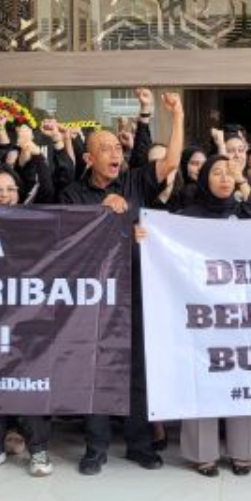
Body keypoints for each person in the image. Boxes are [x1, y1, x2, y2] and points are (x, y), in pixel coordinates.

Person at [58, 91, 183, 475]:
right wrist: (101, 216)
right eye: (105, 148)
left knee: (137, 371)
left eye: (117, 147)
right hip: (94, 299)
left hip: (137, 293)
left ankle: (139, 444)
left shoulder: (134, 183)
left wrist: (175, 115)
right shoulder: (72, 193)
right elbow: (68, 243)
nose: (115, 153)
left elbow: (172, 161)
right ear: (88, 158)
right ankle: (95, 448)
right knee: (95, 370)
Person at [175, 156, 251, 476]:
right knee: (202, 379)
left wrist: (244, 182)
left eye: (230, 173)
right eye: (217, 172)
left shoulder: (243, 212)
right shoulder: (187, 217)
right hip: (201, 311)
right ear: (204, 179)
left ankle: (243, 451)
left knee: (240, 377)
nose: (225, 178)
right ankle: (204, 453)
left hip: (241, 311)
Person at [0, 167, 54, 478]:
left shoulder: (34, 223)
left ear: (19, 194)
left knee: (28, 380)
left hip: (28, 317)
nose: (4, 195)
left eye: (10, 189)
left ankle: (39, 449)